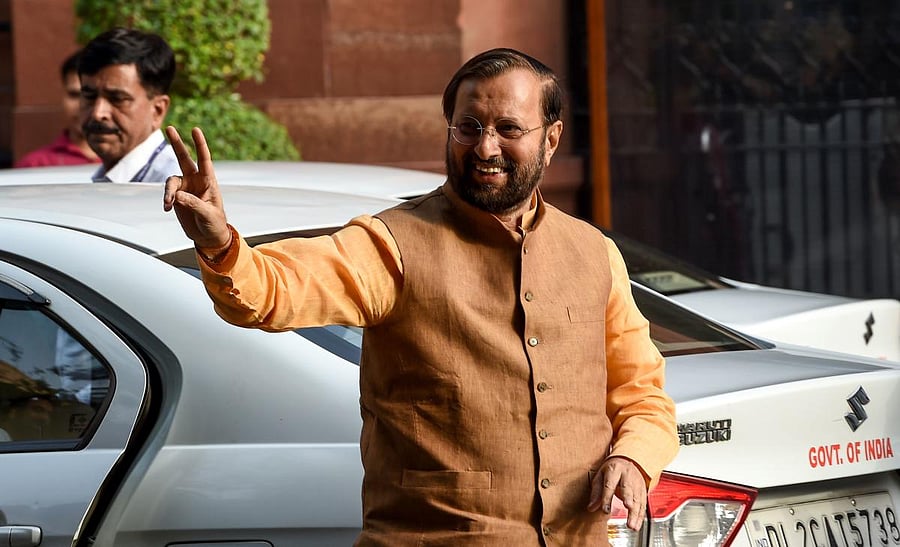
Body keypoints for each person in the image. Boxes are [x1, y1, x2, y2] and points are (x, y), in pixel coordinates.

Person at [163, 48, 679, 546]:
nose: (485, 148)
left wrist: (632, 458)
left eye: (508, 129)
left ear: (551, 140)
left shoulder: (593, 252)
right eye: (469, 127)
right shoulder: (391, 244)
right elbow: (268, 292)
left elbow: (642, 395)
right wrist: (219, 242)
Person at [78, 27, 179, 183]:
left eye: (117, 99)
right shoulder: (108, 178)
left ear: (158, 110)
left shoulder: (175, 188)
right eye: (89, 96)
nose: (98, 113)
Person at [13, 50, 100, 168]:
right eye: (74, 95)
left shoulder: (129, 162)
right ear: (62, 95)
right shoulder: (35, 165)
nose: (81, 105)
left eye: (91, 96)